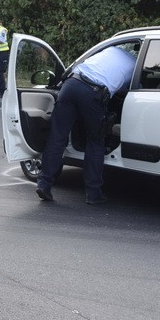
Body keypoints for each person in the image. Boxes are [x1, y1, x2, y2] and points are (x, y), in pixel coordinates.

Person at [35, 44, 136, 205]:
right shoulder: (135, 65)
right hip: (93, 93)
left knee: (57, 137)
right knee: (95, 142)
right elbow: (127, 90)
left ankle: (44, 184)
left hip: (71, 85)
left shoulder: (110, 49)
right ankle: (93, 193)